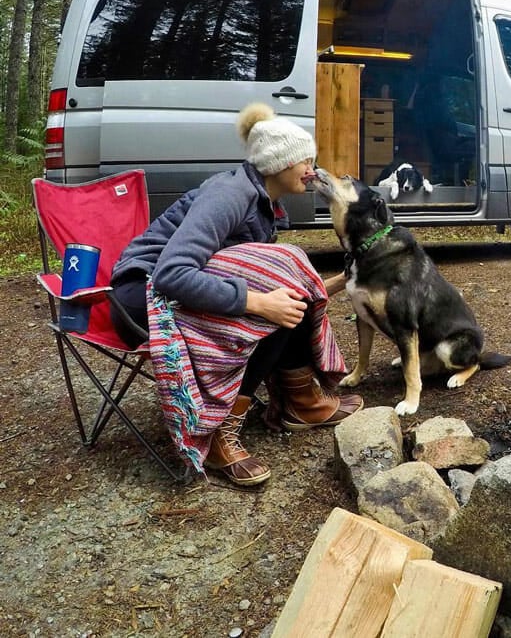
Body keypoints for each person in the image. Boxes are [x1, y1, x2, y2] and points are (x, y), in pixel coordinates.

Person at [110, 103, 363, 487]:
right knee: (272, 305)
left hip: (170, 294)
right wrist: (257, 302)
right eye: (306, 162)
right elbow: (170, 274)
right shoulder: (230, 193)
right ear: (279, 164)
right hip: (141, 300)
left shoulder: (263, 203)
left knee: (289, 294)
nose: (312, 171)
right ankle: (215, 435)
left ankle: (300, 403)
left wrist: (338, 282)